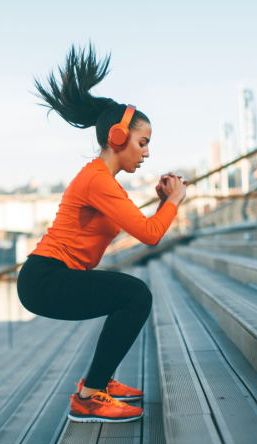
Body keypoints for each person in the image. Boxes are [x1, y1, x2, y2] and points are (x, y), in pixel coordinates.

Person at [16, 45, 186, 423]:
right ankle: (90, 397)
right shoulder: (98, 180)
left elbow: (145, 226)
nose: (145, 154)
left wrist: (163, 205)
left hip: (51, 276)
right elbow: (150, 235)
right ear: (118, 137)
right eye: (143, 143)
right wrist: (174, 200)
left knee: (128, 295)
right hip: (45, 278)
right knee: (135, 295)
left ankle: (98, 384)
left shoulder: (104, 182)